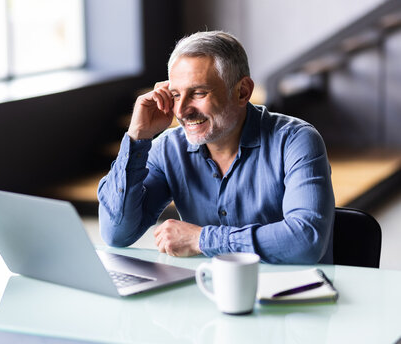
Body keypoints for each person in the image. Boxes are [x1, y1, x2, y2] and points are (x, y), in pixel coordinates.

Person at [97, 31, 335, 264]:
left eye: (198, 93)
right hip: (206, 291)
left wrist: (202, 239)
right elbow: (116, 234)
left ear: (243, 92)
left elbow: (307, 240)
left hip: (291, 295)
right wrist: (138, 136)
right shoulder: (168, 149)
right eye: (176, 95)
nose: (181, 111)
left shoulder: (296, 140)